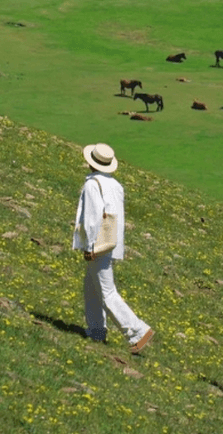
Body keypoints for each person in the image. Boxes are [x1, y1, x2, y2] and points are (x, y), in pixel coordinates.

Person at [72, 143, 154, 354]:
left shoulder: (92, 184)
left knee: (107, 291)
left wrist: (90, 245)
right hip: (111, 241)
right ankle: (97, 329)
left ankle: (137, 330)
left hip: (98, 243)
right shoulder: (115, 185)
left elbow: (92, 216)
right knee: (91, 286)